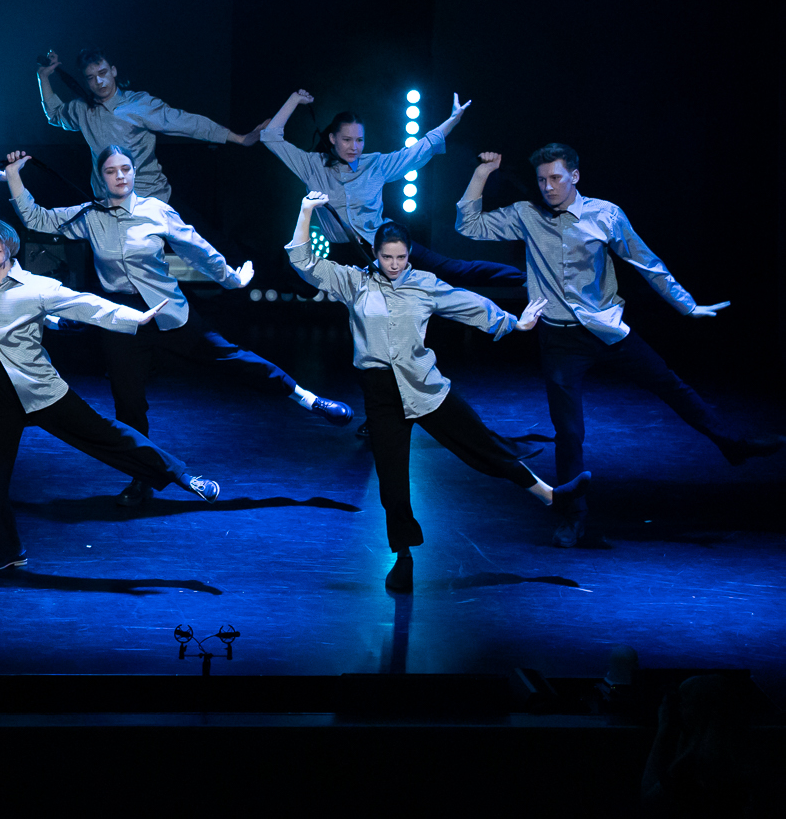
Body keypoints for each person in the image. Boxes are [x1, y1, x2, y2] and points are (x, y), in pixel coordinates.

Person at [457, 144, 778, 547]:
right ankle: (573, 516)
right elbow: (468, 225)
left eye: (556, 178)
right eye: (542, 180)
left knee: (671, 386)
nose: (548, 187)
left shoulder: (606, 214)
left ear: (575, 176)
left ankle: (733, 445)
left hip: (607, 330)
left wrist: (686, 305)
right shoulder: (527, 215)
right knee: (568, 431)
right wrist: (483, 173)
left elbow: (646, 261)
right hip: (560, 339)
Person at [6, 146, 350, 508]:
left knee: (233, 358)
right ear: (100, 177)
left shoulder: (156, 211)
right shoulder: (90, 215)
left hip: (168, 311)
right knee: (128, 404)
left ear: (134, 172)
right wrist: (14, 175)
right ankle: (142, 477)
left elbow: (196, 249)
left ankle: (309, 399)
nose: (120, 176)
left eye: (126, 168)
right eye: (111, 171)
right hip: (122, 319)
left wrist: (231, 278)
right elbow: (36, 218)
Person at [286, 193, 589, 590]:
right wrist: (306, 209)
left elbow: (467, 304)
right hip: (381, 395)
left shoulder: (424, 284)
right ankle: (403, 558)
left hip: (425, 386)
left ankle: (550, 495)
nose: (395, 264)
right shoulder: (354, 282)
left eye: (401, 257)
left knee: (483, 445)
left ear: (409, 255)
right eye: (387, 257)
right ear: (376, 255)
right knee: (393, 482)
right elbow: (303, 261)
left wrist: (513, 323)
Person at [0, 186, 217, 572]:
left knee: (106, 435)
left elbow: (86, 304)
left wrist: (135, 317)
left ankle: (183, 476)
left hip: (39, 385)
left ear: (7, 242)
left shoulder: (37, 287)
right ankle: (6, 553)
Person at [256, 87, 520, 285]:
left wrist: (453, 119)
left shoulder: (375, 164)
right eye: (347, 140)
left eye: (359, 140)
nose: (354, 147)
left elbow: (418, 150)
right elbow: (270, 137)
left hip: (385, 243)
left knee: (451, 270)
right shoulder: (311, 165)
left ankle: (524, 279)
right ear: (333, 139)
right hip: (344, 254)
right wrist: (295, 99)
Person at [35, 48, 259, 202]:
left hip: (147, 200)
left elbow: (187, 122)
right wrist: (43, 77)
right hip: (108, 203)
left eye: (102, 73)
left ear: (113, 71)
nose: (99, 81)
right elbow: (54, 114)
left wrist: (239, 138)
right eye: (91, 77)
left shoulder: (139, 104)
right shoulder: (82, 109)